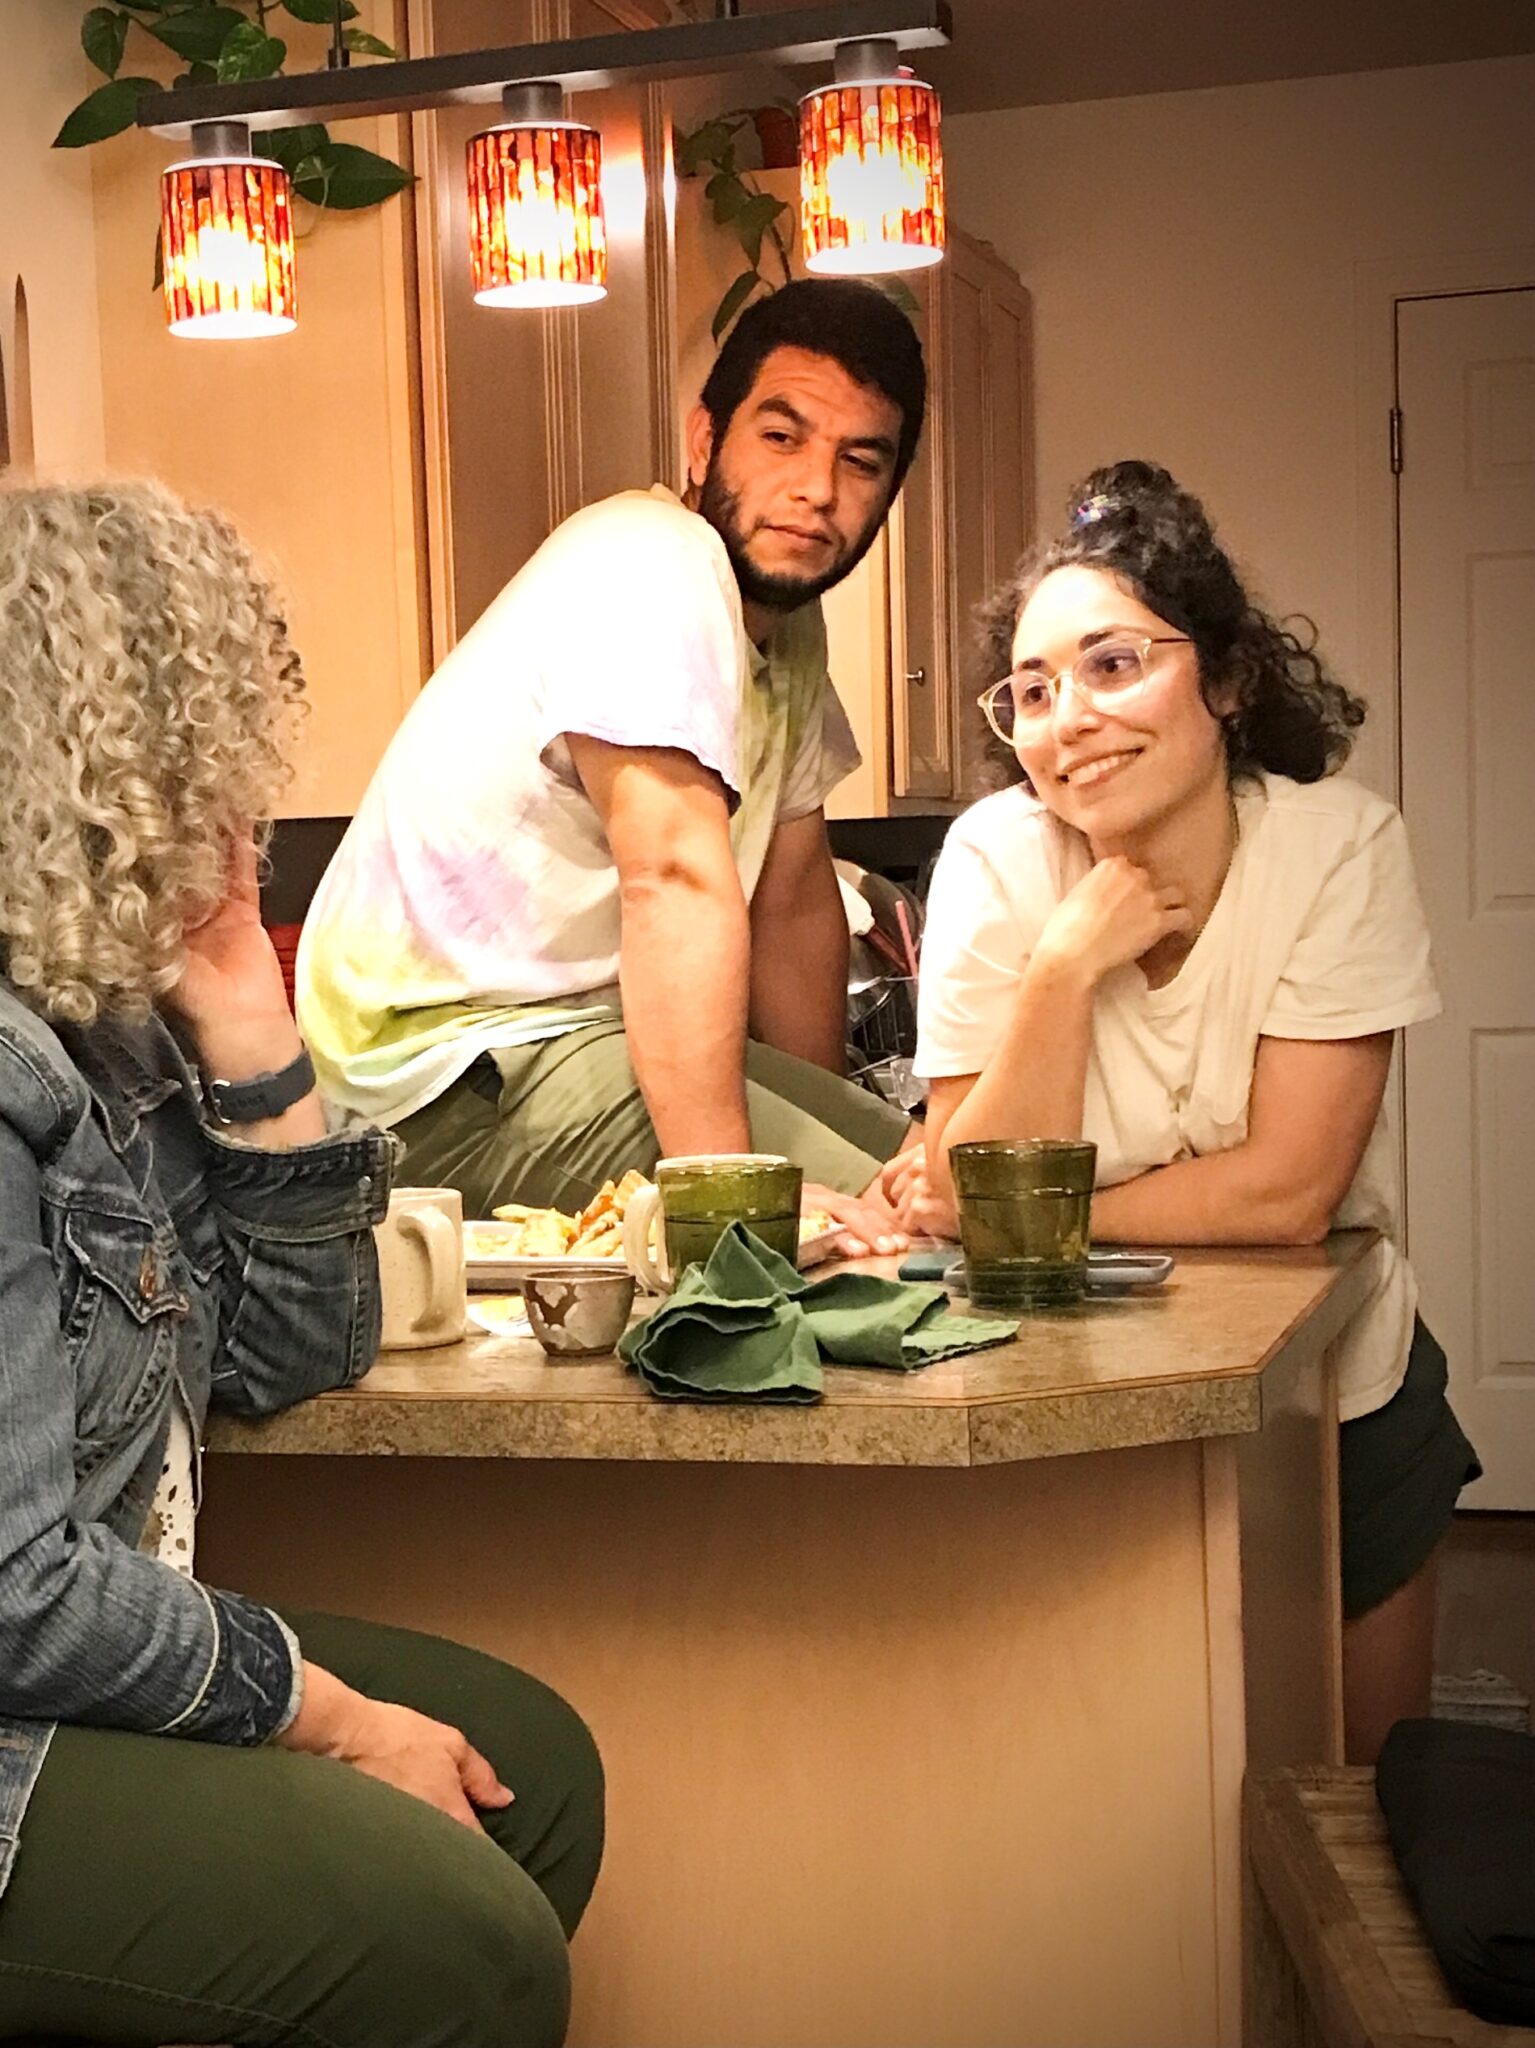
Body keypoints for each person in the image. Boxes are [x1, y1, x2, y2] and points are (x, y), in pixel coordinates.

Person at [0, 481, 603, 2046]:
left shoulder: (113, 1029)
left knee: (531, 1772)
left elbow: (291, 1356)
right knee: (469, 1947)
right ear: (84, 758)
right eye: (201, 748)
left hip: (70, 1677)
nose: (240, 799)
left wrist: (254, 1035)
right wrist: (322, 1715)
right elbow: (12, 1596)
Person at [891, 460, 1479, 1765]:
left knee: (1369, 1792)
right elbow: (972, 1187)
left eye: (1112, 665)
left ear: (1224, 681)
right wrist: (1061, 969)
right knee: (1153, 1794)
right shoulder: (996, 857)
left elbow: (1285, 1191)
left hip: (1338, 1403)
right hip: (1094, 1424)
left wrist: (1021, 1219)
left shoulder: (1336, 849)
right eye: (1031, 689)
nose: (1068, 719)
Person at [296, 279, 921, 1254]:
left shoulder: (788, 635)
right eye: (781, 437)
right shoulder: (652, 560)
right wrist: (735, 1204)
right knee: (889, 1236)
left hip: (572, 1046)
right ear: (703, 441)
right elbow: (671, 878)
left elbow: (793, 901)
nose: (816, 489)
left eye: (859, 461)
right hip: (441, 1075)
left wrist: (820, 1113)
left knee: (924, 1184)